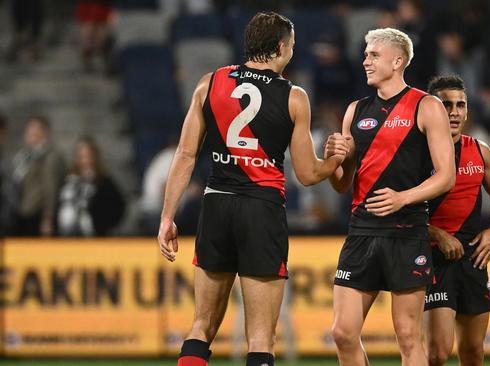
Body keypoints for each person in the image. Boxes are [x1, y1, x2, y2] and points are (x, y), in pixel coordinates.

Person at [156, 12, 348, 366]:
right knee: (261, 338)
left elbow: (185, 155)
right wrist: (335, 160)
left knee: (201, 326)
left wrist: (168, 216)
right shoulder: (294, 96)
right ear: (279, 47)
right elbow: (307, 174)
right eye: (290, 45)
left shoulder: (209, 83)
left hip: (216, 205)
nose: (292, 50)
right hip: (261, 208)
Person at [325, 28, 455, 366]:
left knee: (409, 337)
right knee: (342, 332)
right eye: (366, 54)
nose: (365, 60)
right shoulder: (355, 110)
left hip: (407, 231)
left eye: (373, 55)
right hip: (362, 231)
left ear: (397, 61)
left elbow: (446, 176)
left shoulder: (427, 106)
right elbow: (342, 184)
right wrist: (332, 160)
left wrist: (403, 198)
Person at [423, 75, 490, 366]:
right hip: (432, 256)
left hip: (472, 258)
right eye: (446, 105)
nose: (454, 112)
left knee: (473, 352)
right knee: (437, 353)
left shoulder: (480, 151)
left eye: (461, 104)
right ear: (431, 108)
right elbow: (396, 210)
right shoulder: (415, 153)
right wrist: (436, 234)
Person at [9, 116, 66, 236]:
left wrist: (48, 217)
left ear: (45, 132)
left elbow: (51, 188)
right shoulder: (25, 156)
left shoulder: (50, 157)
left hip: (38, 214)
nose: (30, 134)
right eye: (29, 130)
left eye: (35, 130)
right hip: (22, 212)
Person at [57, 137, 125, 236]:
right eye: (81, 156)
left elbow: (118, 207)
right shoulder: (67, 180)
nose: (84, 160)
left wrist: (102, 224)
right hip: (66, 236)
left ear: (95, 157)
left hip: (94, 237)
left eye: (88, 156)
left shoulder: (103, 181)